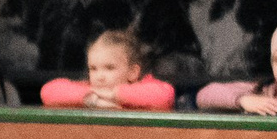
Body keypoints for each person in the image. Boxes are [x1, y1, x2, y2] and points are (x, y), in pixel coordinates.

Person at [39, 28, 176, 110]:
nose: (100, 76)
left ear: (132, 72)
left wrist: (114, 96)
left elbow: (165, 96)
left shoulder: (146, 87)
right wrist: (92, 99)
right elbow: (48, 91)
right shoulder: (90, 90)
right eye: (93, 68)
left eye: (109, 68)